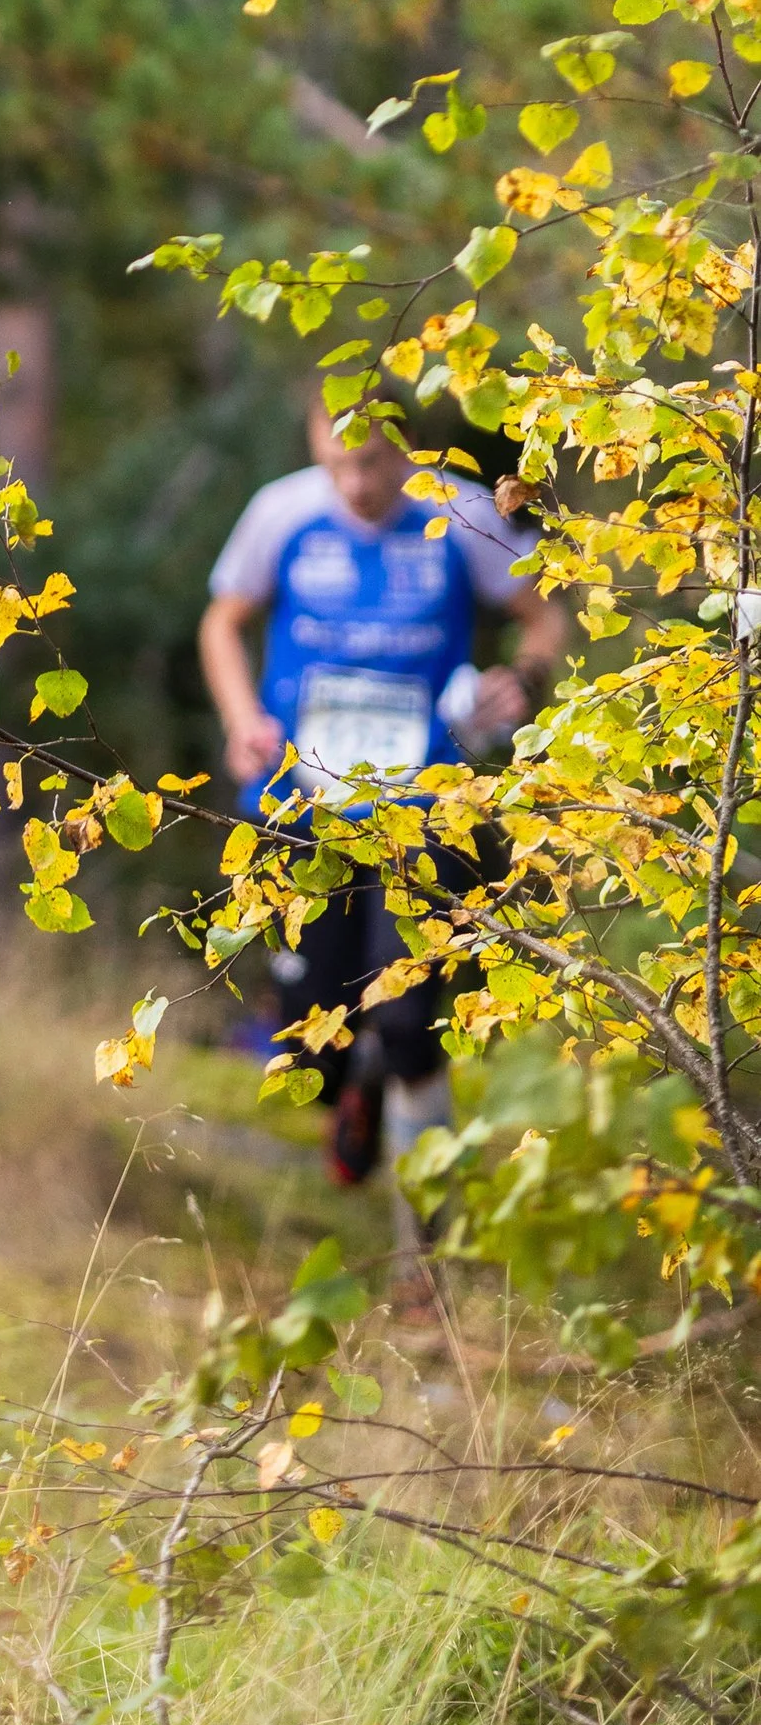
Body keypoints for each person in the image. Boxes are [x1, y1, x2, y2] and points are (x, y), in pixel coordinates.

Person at [198, 397, 564, 1196]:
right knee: (308, 1041)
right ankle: (349, 1085)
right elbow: (222, 620)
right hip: (302, 800)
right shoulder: (283, 511)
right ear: (313, 443)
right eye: (339, 464)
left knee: (405, 1020)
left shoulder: (458, 512)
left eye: (375, 463)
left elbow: (544, 616)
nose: (357, 483)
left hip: (425, 801)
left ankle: (427, 1237)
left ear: (411, 448)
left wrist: (521, 679)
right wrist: (240, 718)